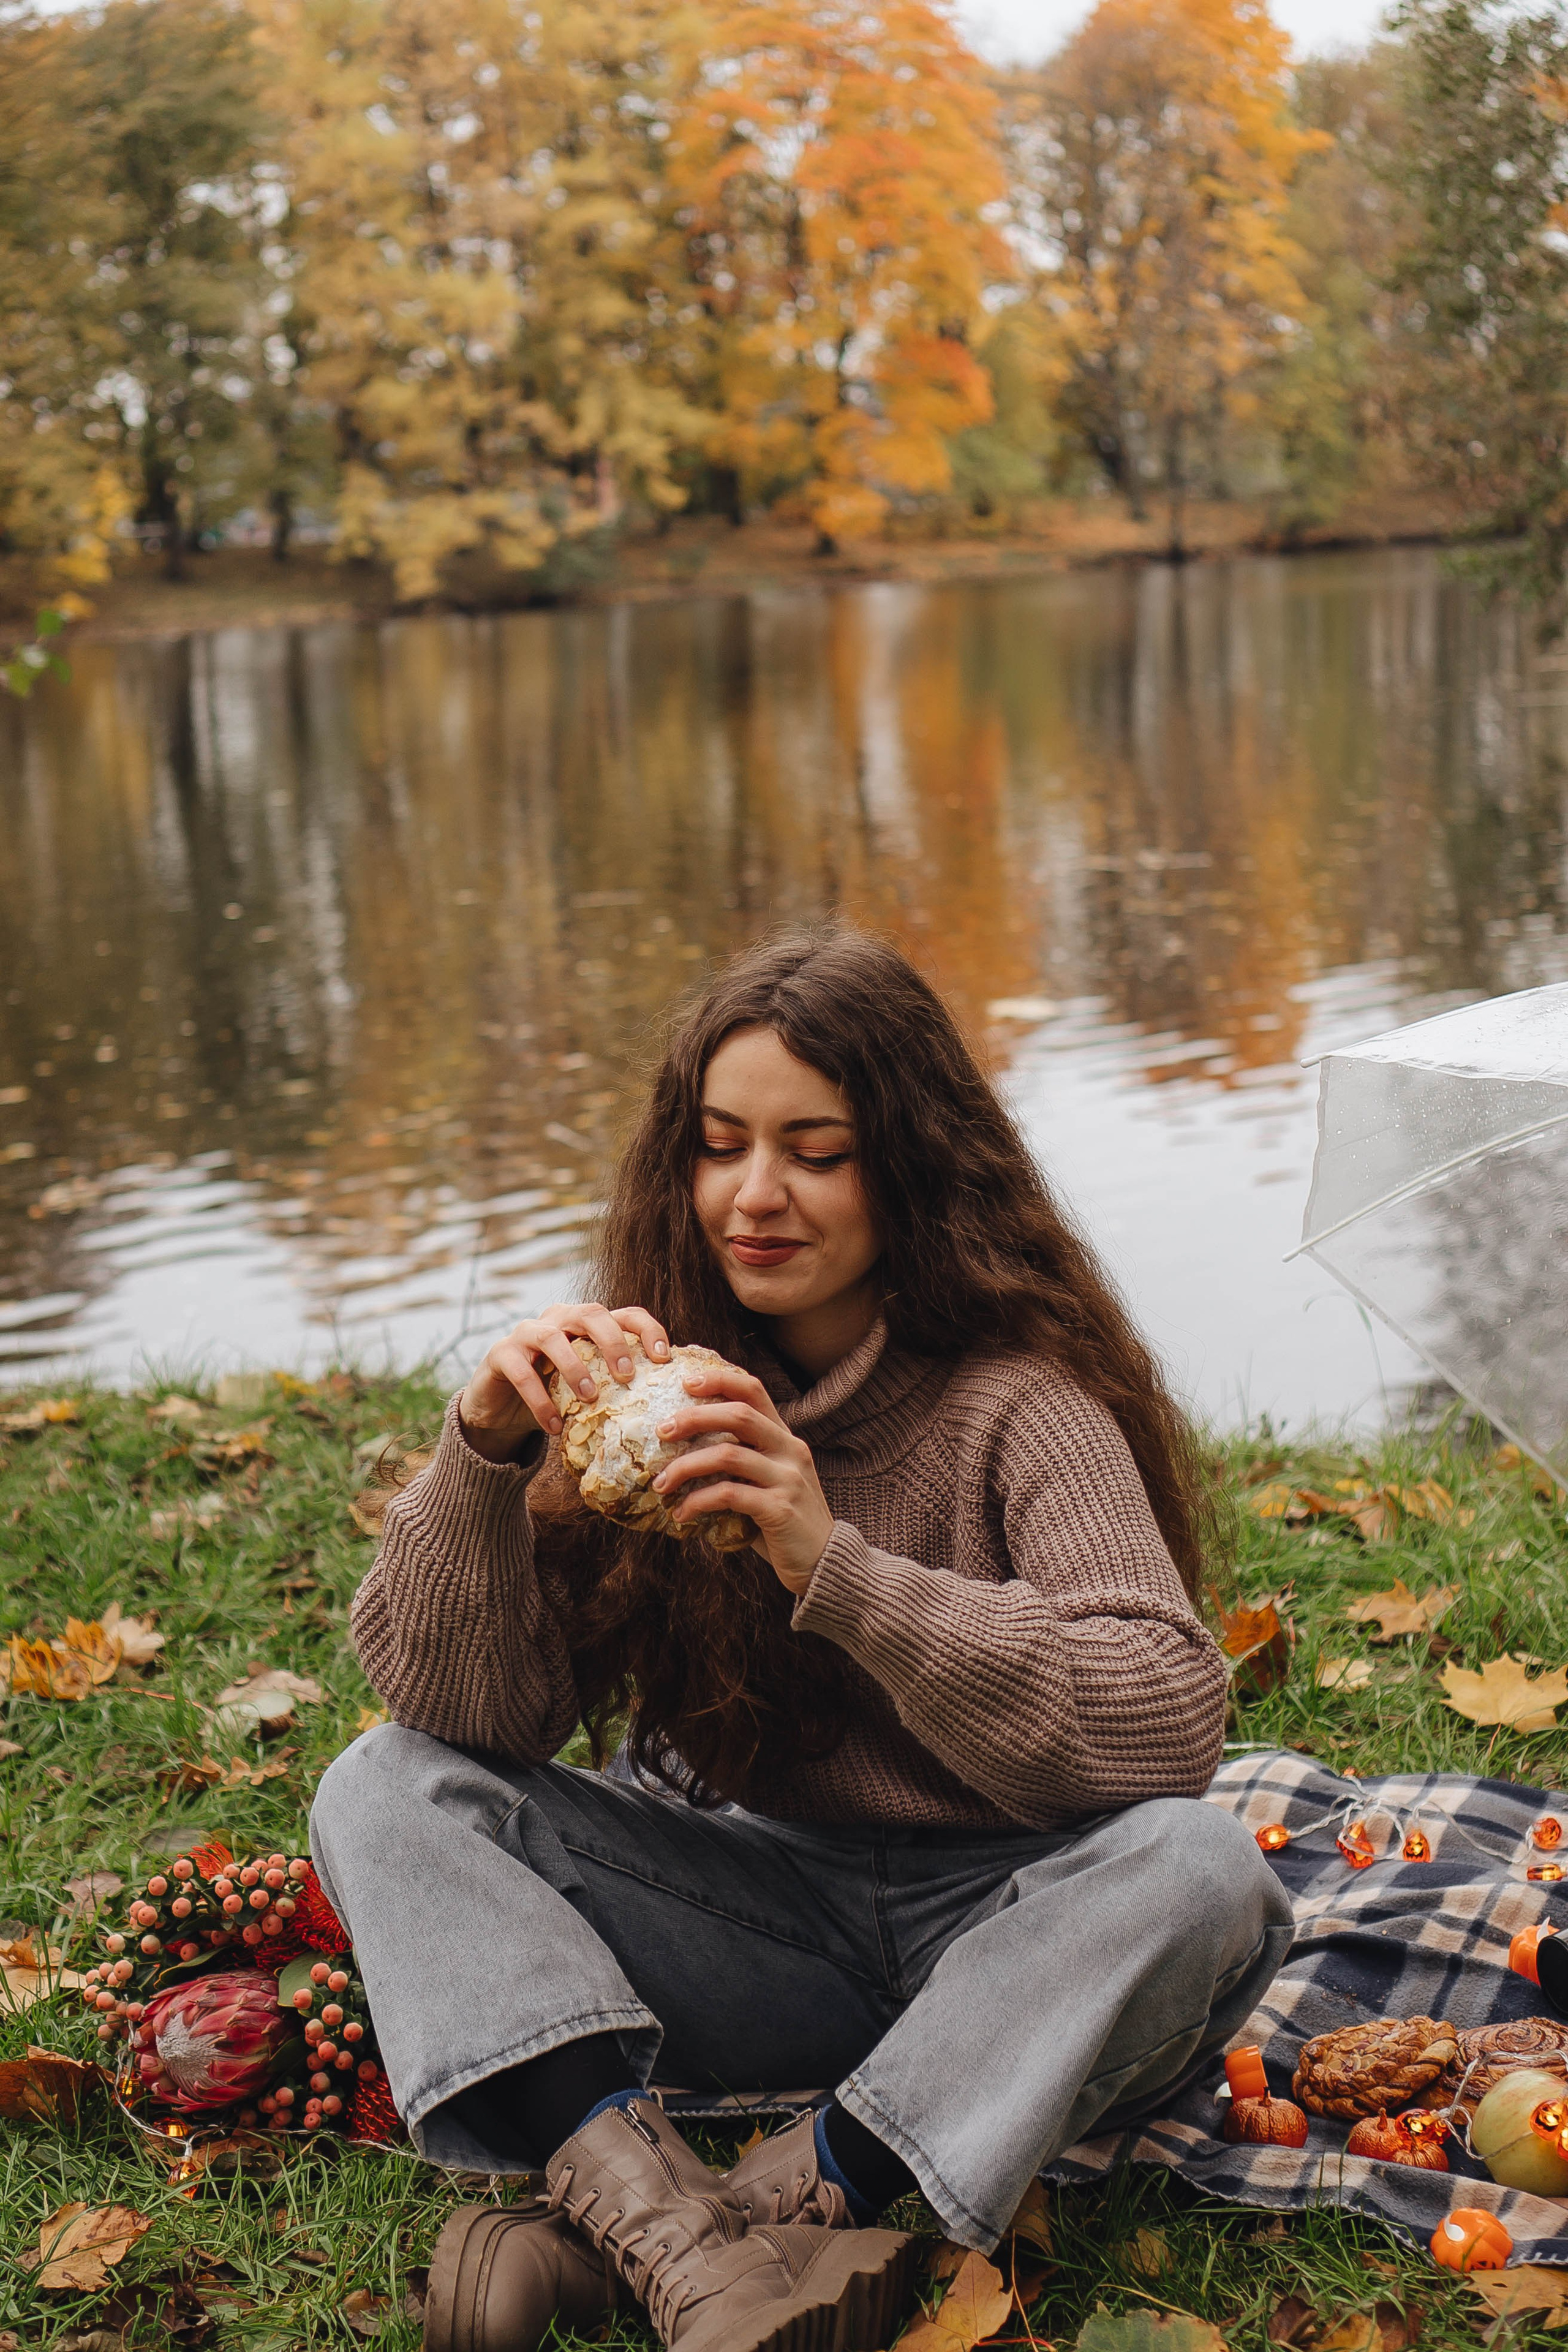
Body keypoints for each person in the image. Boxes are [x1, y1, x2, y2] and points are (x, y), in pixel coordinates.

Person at [312, 928, 1292, 2352]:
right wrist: (479, 1464)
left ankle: (801, 2199)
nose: (753, 1197)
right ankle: (665, 2232)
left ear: (907, 1163)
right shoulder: (643, 1398)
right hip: (764, 1927)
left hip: (1021, 1943)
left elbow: (1162, 1720)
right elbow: (474, 1721)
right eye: (719, 1147)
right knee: (383, 1786)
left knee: (1204, 1875)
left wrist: (829, 1563)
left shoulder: (1022, 1404)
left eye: (813, 1151)